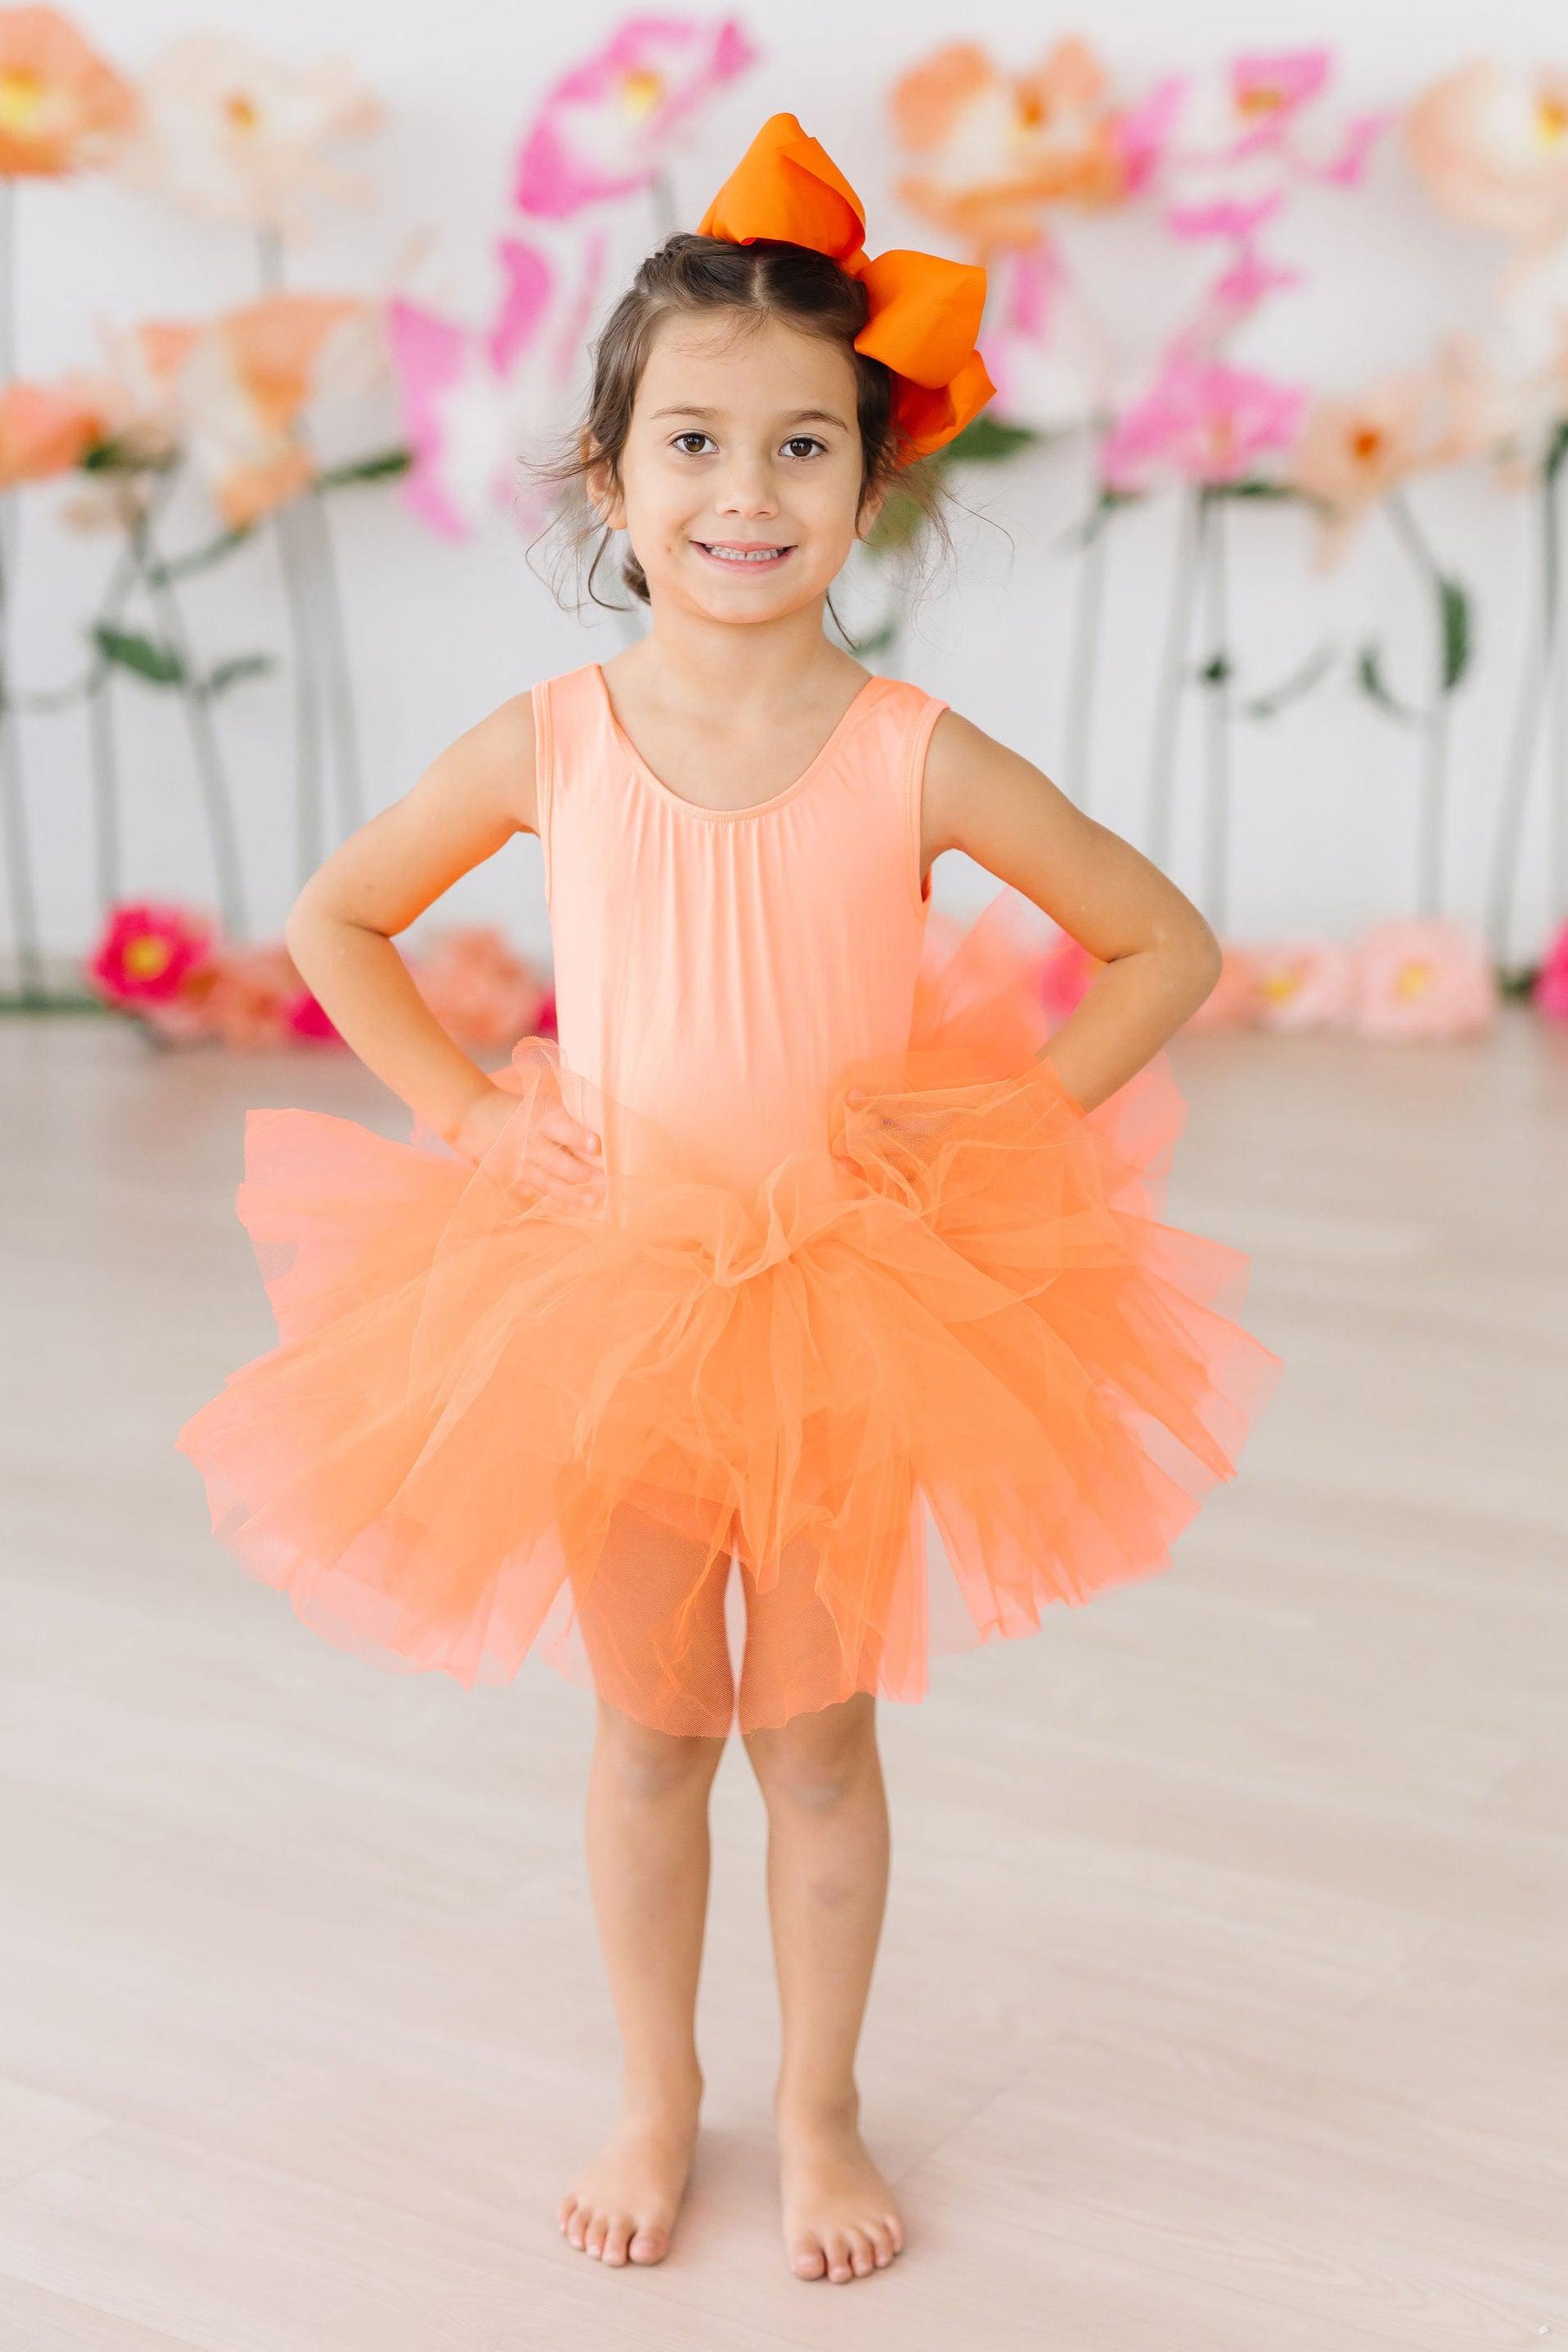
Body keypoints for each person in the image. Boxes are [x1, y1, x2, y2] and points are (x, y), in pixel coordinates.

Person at [176, 113, 1282, 2287]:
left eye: (800, 447)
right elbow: (336, 919)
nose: (744, 492)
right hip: (605, 1304)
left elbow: (1164, 944)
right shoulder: (555, 739)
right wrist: (469, 1115)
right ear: (612, 479)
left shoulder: (912, 751)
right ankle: (657, 2093)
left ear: (873, 485)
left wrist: (1005, 1128)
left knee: (825, 1749)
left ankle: (826, 2107)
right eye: (692, 442)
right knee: (651, 1734)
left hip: (851, 1311)